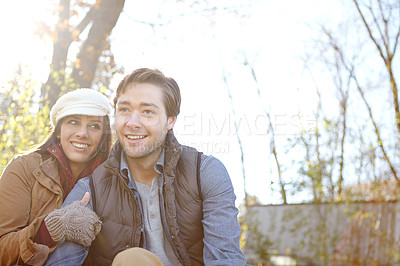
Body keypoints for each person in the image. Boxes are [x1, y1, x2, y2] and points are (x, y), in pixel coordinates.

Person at [46, 68, 247, 266]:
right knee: (131, 260)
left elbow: (226, 259)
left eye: (147, 112)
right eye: (124, 110)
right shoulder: (91, 188)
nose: (132, 123)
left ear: (171, 120)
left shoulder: (205, 172)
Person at [0, 88, 112, 265]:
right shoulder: (23, 168)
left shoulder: (113, 181)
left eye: (94, 126)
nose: (83, 133)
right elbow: (2, 250)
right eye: (74, 122)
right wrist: (50, 229)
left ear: (103, 136)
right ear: (58, 131)